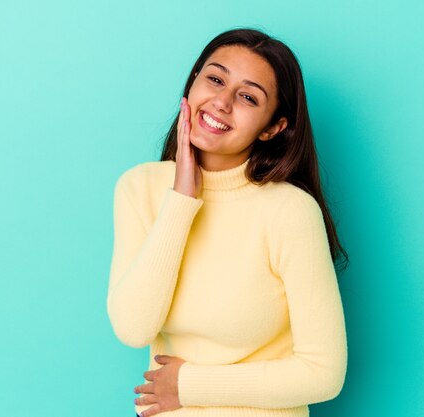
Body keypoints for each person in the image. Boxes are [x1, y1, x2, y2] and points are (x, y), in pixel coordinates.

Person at [107, 27, 349, 417]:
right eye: (215, 79)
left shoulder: (290, 211)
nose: (221, 102)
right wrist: (181, 200)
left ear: (273, 127)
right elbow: (133, 329)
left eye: (248, 97)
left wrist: (188, 385)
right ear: (193, 85)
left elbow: (323, 374)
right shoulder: (140, 188)